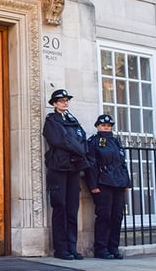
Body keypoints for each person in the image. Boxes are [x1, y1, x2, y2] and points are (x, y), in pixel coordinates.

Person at [42, 89, 89, 260]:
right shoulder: (51, 120)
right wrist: (79, 149)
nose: (64, 103)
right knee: (60, 208)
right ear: (54, 103)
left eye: (66, 100)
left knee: (72, 209)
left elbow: (81, 136)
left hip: (73, 168)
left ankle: (72, 247)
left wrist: (80, 149)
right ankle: (61, 249)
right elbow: (59, 140)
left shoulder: (72, 119)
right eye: (61, 101)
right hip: (58, 168)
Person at [85, 114, 132, 260]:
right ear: (98, 126)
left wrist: (126, 183)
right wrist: (93, 185)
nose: (106, 128)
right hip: (103, 183)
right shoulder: (94, 142)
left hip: (118, 183)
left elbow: (122, 163)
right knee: (104, 216)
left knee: (117, 216)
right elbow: (91, 165)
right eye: (104, 125)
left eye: (109, 126)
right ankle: (101, 248)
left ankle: (113, 247)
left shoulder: (115, 141)